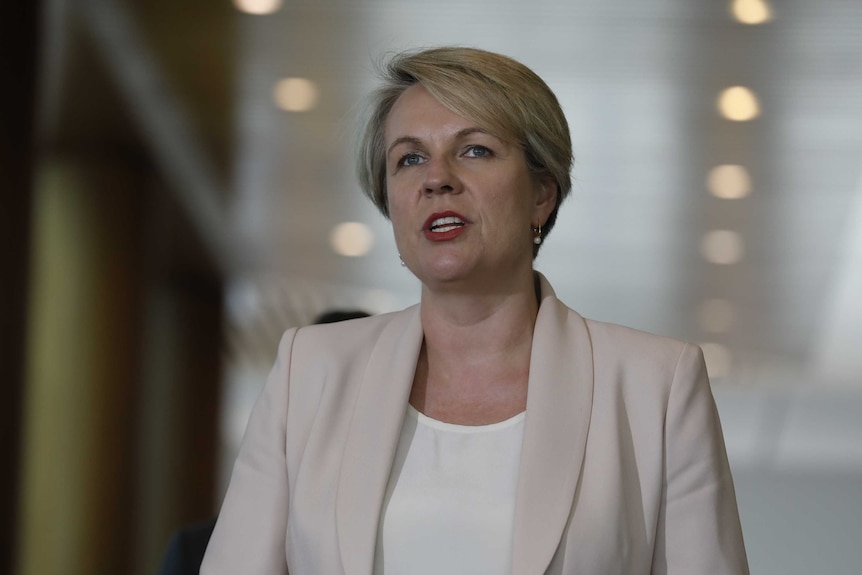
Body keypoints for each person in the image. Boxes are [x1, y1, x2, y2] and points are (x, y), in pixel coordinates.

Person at [201, 47, 749, 574]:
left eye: (474, 150)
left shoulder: (655, 384)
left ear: (541, 192)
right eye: (409, 159)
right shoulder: (311, 370)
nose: (436, 178)